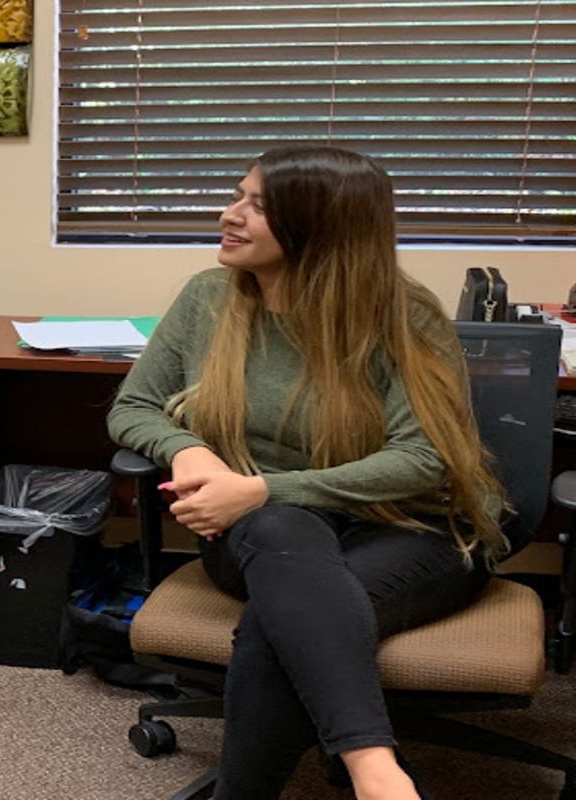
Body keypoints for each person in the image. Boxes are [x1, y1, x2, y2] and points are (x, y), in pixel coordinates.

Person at [107, 146, 506, 800]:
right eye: (237, 195)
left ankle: (344, 776)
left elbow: (424, 459)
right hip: (268, 534)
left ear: (322, 227)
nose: (229, 214)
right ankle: (378, 775)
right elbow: (133, 407)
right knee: (282, 537)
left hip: (411, 526)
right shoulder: (209, 298)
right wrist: (186, 450)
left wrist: (266, 487)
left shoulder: (405, 315)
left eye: (258, 206)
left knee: (284, 622)